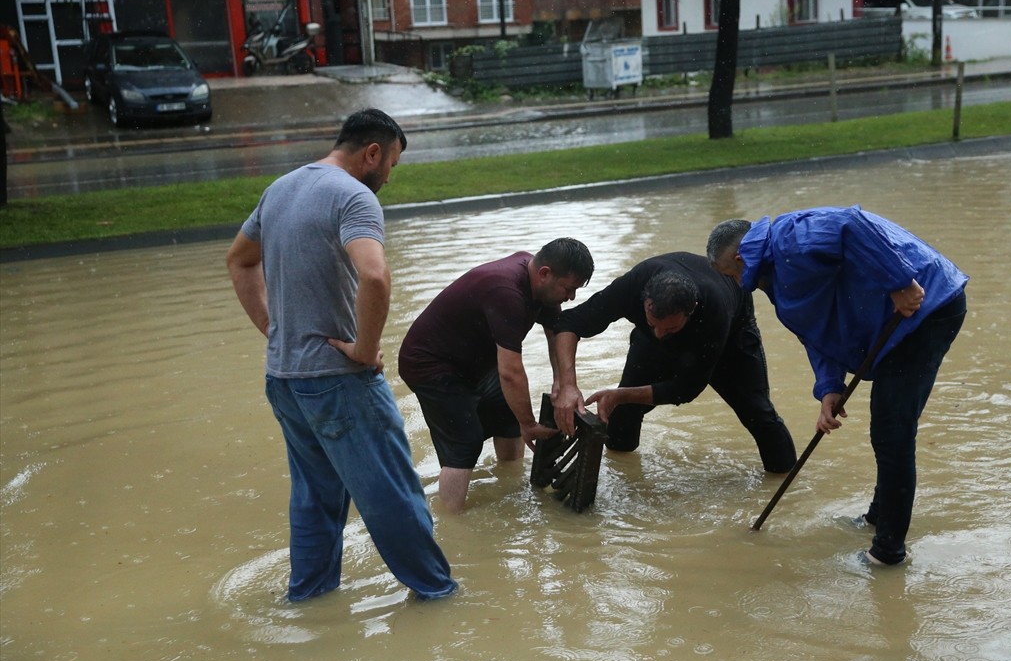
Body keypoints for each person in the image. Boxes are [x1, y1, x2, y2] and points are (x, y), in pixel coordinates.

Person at [226, 108, 457, 602]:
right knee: (391, 491)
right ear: (372, 153)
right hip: (338, 378)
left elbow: (239, 260)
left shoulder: (280, 189)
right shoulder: (353, 196)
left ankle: (309, 599)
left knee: (314, 499)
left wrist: (272, 329)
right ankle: (438, 595)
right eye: (391, 163)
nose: (389, 177)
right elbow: (374, 276)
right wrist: (365, 350)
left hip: (284, 380)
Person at [706, 206, 968, 566]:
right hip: (897, 327)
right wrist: (829, 387)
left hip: (927, 307)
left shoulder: (789, 237)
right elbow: (815, 329)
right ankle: (878, 516)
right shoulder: (776, 280)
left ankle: (887, 553)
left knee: (892, 431)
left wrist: (900, 282)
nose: (737, 284)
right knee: (888, 429)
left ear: (739, 257)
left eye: (731, 275)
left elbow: (851, 224)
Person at [551, 252, 797, 473]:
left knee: (758, 413)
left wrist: (621, 394)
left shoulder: (713, 310)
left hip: (732, 332)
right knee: (623, 412)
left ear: (691, 310)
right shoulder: (633, 285)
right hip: (657, 329)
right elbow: (569, 323)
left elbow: (687, 389)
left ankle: (785, 485)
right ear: (644, 301)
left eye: (670, 328)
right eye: (653, 324)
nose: (660, 334)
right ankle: (624, 474)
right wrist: (568, 385)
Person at [398, 239, 595, 513]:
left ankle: (510, 488)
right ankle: (453, 522)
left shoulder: (545, 288)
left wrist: (560, 383)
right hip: (430, 365)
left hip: (474, 363)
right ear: (545, 273)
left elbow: (555, 335)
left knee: (509, 418)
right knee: (465, 443)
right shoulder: (506, 293)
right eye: (569, 288)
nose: (571, 297)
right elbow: (511, 372)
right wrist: (529, 424)